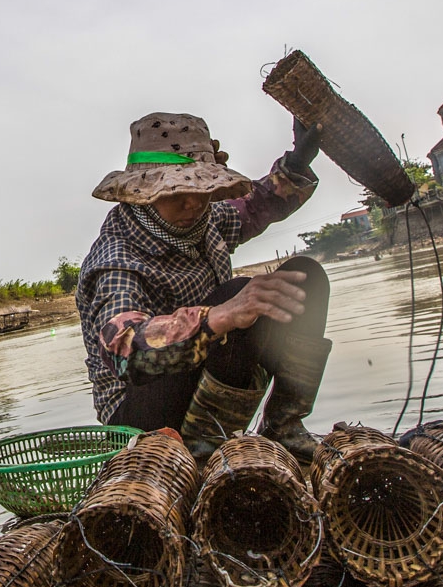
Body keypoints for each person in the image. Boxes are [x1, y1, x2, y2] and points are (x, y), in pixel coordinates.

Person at [75, 112, 330, 461]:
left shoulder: (204, 220)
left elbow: (259, 205)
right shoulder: (116, 259)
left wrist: (300, 158)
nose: (193, 203)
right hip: (139, 418)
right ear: (144, 193)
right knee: (235, 295)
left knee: (303, 277)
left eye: (201, 189)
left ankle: (283, 426)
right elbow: (124, 350)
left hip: (207, 387)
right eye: (177, 192)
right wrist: (216, 317)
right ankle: (202, 454)